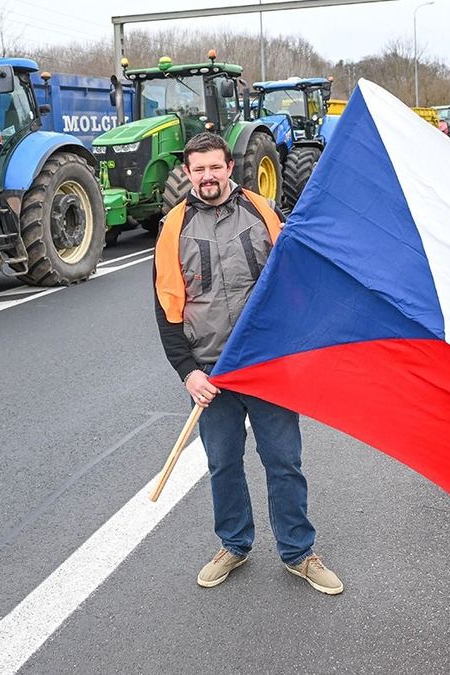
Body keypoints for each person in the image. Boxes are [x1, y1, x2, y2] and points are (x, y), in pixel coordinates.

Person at [152, 132, 344, 596]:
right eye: (199, 169)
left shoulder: (264, 212)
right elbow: (166, 307)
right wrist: (188, 372)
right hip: (210, 373)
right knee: (223, 464)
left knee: (284, 461)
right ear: (188, 172)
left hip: (266, 367)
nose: (207, 176)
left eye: (214, 167)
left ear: (229, 168)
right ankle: (234, 545)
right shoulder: (173, 227)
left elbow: (295, 281)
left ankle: (299, 552)